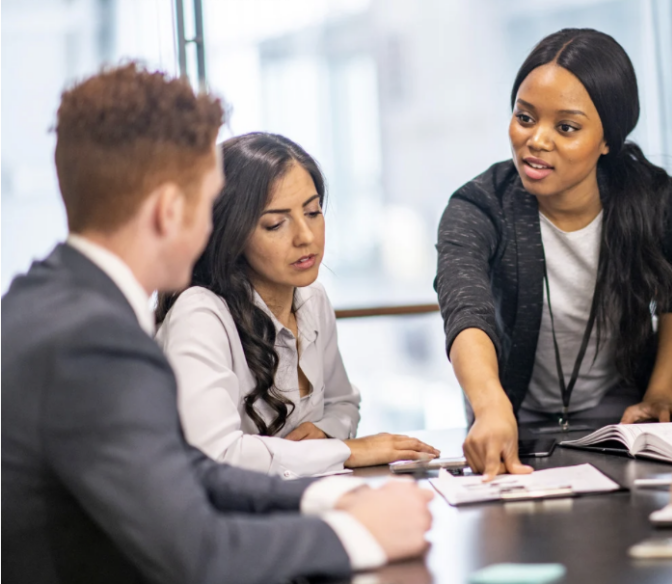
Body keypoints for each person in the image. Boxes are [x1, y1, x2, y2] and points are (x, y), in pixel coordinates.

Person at [1, 64, 433, 584]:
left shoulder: (50, 298)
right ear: (167, 211)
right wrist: (358, 535)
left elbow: (188, 468)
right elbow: (199, 554)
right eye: (209, 204)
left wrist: (328, 492)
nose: (216, 227)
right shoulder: (94, 343)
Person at [436, 28, 672, 477]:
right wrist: (489, 405)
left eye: (566, 127)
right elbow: (466, 309)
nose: (537, 140)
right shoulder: (479, 206)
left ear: (607, 139)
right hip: (511, 409)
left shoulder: (661, 203)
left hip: (623, 409)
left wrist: (661, 394)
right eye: (525, 118)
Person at [156, 133, 438, 477]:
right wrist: (345, 451)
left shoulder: (312, 298)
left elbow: (342, 404)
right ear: (232, 233)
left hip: (297, 502)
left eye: (313, 211)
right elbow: (216, 453)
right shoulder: (200, 313)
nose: (306, 236)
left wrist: (324, 434)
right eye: (276, 223)